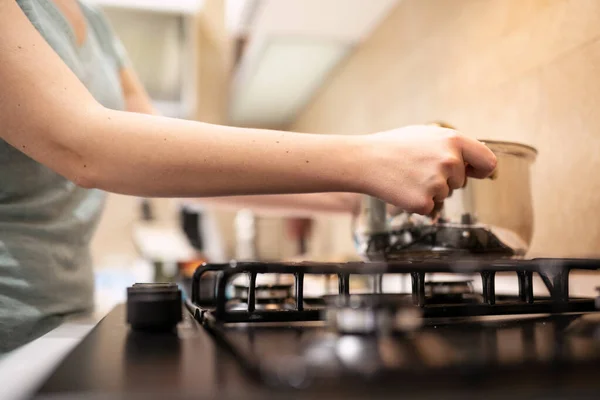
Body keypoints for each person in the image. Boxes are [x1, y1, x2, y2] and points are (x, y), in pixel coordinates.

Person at [0, 0, 497, 352]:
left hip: (60, 319)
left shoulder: (95, 23)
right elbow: (85, 145)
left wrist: (350, 193)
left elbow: (169, 163)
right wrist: (367, 158)